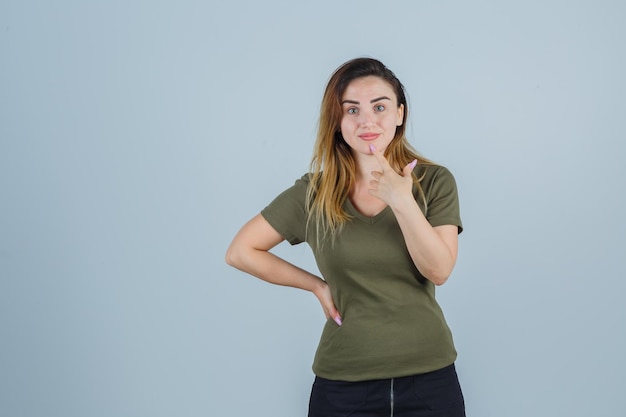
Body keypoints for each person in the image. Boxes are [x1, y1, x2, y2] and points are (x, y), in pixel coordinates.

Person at [225, 57, 466, 417]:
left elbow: (439, 270)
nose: (367, 120)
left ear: (400, 113)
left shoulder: (434, 181)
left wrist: (401, 199)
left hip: (430, 380)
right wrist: (316, 286)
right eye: (351, 110)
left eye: (379, 107)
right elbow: (241, 251)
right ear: (338, 122)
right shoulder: (314, 192)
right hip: (343, 387)